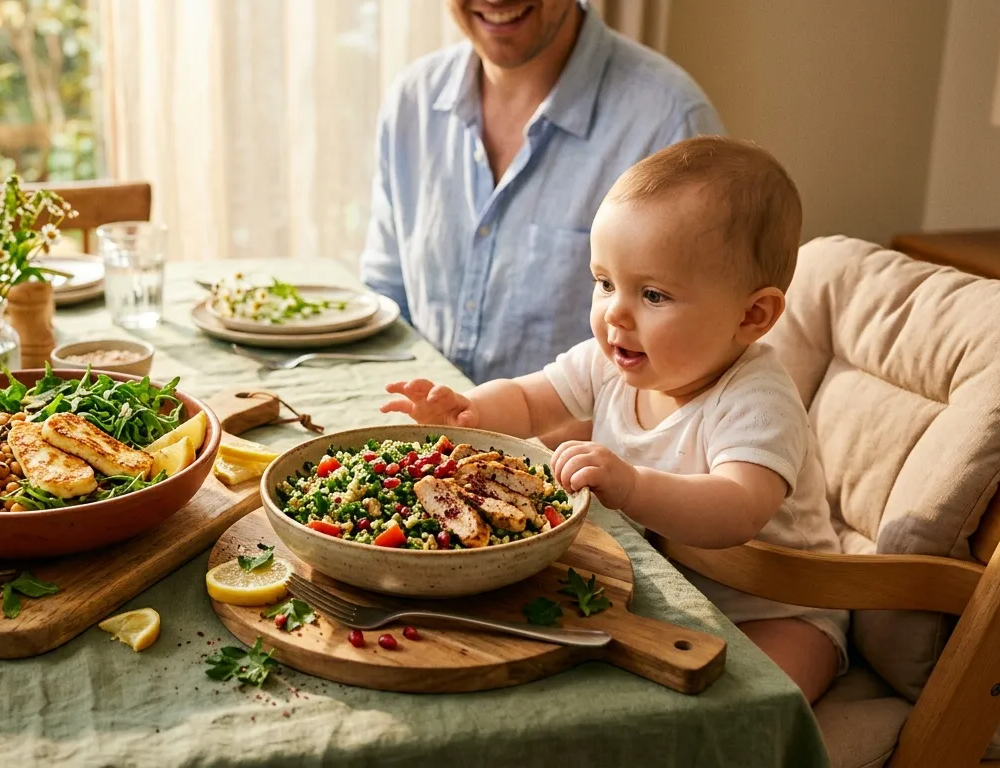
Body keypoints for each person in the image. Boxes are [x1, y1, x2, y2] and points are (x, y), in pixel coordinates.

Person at [379, 136, 847, 703]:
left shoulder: (756, 398)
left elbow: (736, 510)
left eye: (652, 294)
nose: (615, 313)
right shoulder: (613, 360)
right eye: (604, 283)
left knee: (749, 710)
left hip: (776, 608)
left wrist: (632, 484)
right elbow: (530, 400)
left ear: (753, 315)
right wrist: (468, 410)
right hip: (659, 586)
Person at [361, 0, 723, 386]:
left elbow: (701, 365)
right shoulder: (412, 102)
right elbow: (386, 303)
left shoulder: (669, 123)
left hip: (575, 446)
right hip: (422, 438)